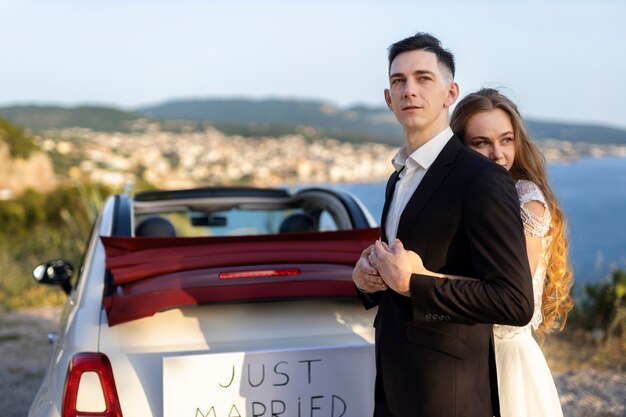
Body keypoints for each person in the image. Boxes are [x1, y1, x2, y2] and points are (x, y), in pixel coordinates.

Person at [352, 33, 534, 417]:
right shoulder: (398, 177)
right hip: (392, 388)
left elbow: (514, 301)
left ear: (450, 93)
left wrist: (413, 282)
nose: (409, 90)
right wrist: (368, 279)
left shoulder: (481, 178)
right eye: (398, 81)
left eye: (423, 78)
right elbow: (402, 269)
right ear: (388, 98)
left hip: (448, 396)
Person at [448, 88, 574, 416]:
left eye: (506, 140)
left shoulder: (526, 202)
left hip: (507, 362)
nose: (498, 154)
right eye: (481, 143)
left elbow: (509, 295)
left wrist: (417, 278)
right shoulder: (470, 197)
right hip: (466, 355)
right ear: (460, 147)